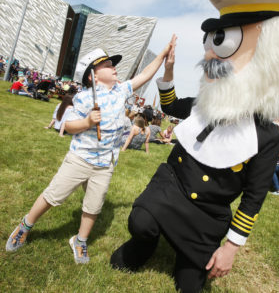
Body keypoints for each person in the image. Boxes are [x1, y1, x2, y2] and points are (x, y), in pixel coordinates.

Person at [110, 0, 279, 292]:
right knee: (140, 223)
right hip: (171, 187)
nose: (209, 54)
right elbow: (169, 105)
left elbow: (253, 197)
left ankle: (188, 252)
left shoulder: (266, 135)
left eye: (221, 42)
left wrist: (231, 247)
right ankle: (145, 243)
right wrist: (168, 71)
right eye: (211, 41)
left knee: (191, 284)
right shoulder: (203, 103)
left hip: (207, 214)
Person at [5, 38, 175, 264]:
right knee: (53, 195)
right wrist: (86, 122)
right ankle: (25, 225)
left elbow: (144, 75)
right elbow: (68, 126)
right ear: (92, 76)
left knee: (94, 205)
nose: (114, 68)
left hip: (105, 164)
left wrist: (163, 53)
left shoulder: (120, 91)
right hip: (80, 159)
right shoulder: (84, 97)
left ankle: (80, 240)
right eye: (107, 65)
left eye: (113, 64)